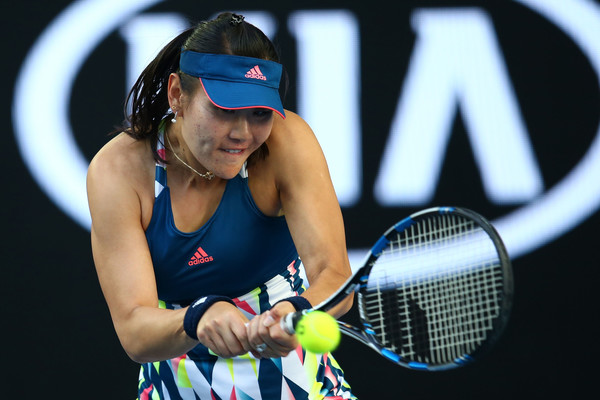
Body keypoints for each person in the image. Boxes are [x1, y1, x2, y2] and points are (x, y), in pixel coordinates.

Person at [86, 11, 356, 400]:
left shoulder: (288, 142)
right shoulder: (119, 172)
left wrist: (294, 312)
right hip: (175, 382)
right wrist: (198, 317)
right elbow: (134, 331)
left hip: (302, 383)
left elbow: (335, 278)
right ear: (177, 94)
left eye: (259, 113)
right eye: (224, 109)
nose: (242, 134)